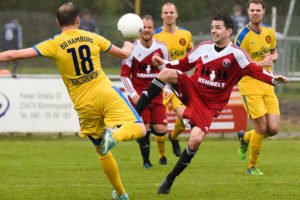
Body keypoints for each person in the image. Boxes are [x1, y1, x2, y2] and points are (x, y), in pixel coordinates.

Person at [0, 2, 146, 200]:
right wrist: (130, 40)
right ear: (78, 21)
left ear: (58, 22)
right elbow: (124, 54)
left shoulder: (54, 44)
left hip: (84, 105)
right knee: (139, 128)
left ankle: (121, 194)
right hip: (105, 92)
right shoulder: (93, 37)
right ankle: (116, 136)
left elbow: (13, 55)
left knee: (101, 151)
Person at [134, 13, 289, 194]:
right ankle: (135, 114)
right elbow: (184, 64)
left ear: (229, 31)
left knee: (195, 140)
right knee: (166, 73)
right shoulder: (204, 47)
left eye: (218, 28)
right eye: (212, 27)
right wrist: (165, 62)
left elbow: (256, 71)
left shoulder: (237, 55)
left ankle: (169, 180)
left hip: (209, 105)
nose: (213, 31)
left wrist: (275, 80)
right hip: (192, 88)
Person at [234, 0, 280, 175]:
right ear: (248, 12)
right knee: (261, 127)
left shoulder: (269, 32)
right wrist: (262, 63)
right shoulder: (242, 36)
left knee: (273, 129)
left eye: (258, 10)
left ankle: (245, 137)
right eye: (252, 10)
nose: (255, 13)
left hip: (268, 83)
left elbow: (275, 52)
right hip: (249, 84)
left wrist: (272, 58)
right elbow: (238, 64)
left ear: (263, 11)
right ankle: (252, 166)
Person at [120, 15, 169, 169]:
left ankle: (139, 133)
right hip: (139, 96)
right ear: (139, 30)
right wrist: (132, 93)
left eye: (149, 27)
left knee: (161, 131)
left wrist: (168, 87)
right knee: (144, 129)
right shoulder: (131, 49)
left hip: (156, 95)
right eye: (144, 28)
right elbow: (124, 75)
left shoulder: (162, 48)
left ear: (153, 29)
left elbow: (168, 70)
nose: (147, 30)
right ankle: (146, 161)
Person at [153, 2, 194, 163]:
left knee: (185, 116)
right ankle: (162, 156)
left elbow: (191, 54)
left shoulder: (186, 35)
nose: (169, 15)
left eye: (171, 12)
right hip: (161, 83)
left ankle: (174, 136)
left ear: (176, 15)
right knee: (159, 122)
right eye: (166, 12)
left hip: (179, 82)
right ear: (162, 16)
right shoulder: (156, 37)